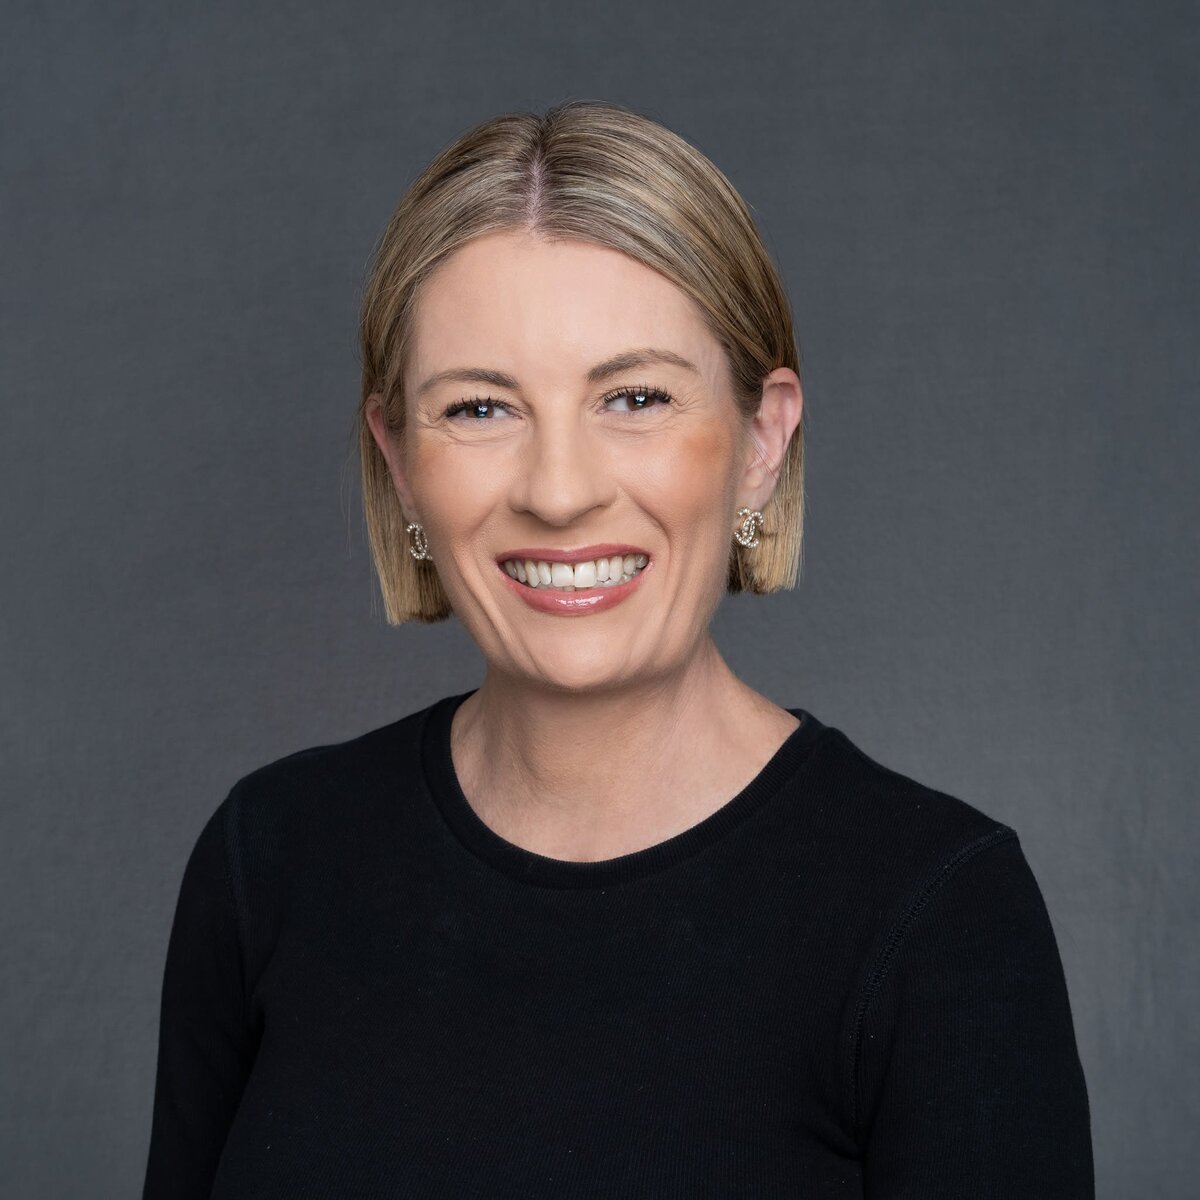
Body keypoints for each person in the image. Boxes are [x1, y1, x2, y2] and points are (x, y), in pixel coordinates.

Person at [142, 100, 1094, 1198]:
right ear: (400, 462)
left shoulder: (937, 913)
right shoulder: (269, 861)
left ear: (760, 442)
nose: (559, 490)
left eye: (634, 398)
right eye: (481, 409)